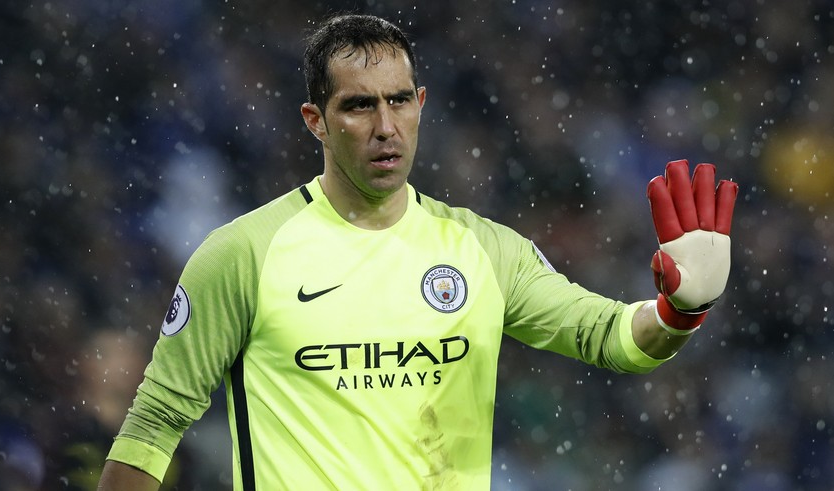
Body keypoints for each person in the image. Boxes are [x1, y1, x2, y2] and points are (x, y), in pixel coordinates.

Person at [97, 13, 738, 490]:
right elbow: (152, 427)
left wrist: (680, 310)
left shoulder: (483, 251)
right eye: (358, 106)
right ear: (315, 120)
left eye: (399, 101)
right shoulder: (243, 254)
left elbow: (611, 338)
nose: (385, 126)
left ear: (420, 104)